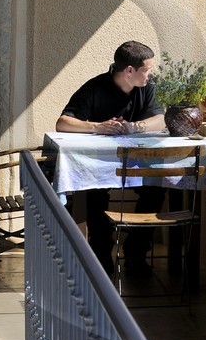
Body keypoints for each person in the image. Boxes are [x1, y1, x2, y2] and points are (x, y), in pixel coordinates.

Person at [55, 40, 166, 273]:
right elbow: (62, 123)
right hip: (98, 165)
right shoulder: (95, 88)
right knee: (95, 195)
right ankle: (101, 258)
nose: (150, 74)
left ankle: (136, 251)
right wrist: (97, 127)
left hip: (136, 162)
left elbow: (160, 119)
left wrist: (136, 126)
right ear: (129, 71)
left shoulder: (146, 88)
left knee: (156, 188)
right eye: (146, 70)